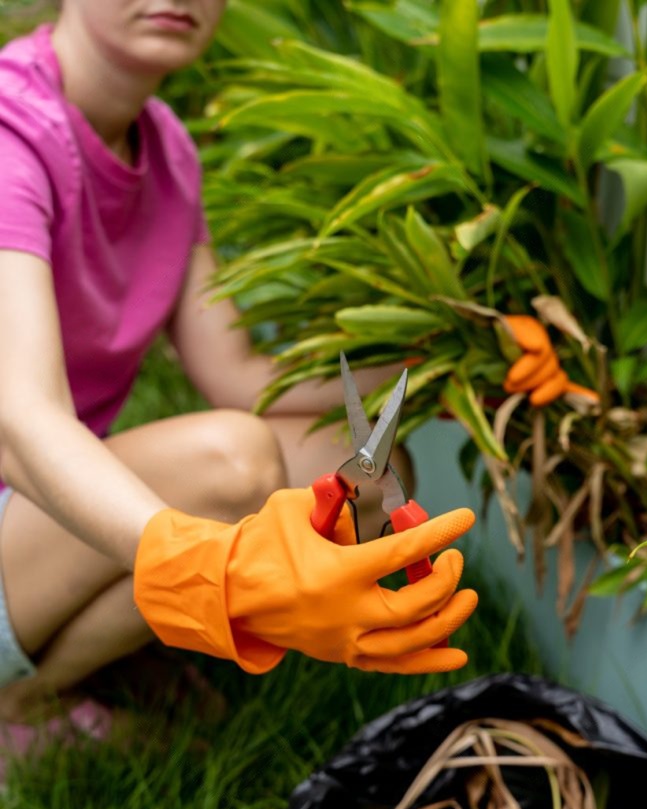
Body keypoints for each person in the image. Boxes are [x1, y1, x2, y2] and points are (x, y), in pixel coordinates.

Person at [0, 1, 478, 749]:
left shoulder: (165, 148)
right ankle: (19, 708)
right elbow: (19, 426)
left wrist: (452, 355)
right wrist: (192, 563)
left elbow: (240, 375)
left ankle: (75, 664)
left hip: (31, 522)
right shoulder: (10, 136)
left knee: (349, 469)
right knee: (232, 460)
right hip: (19, 487)